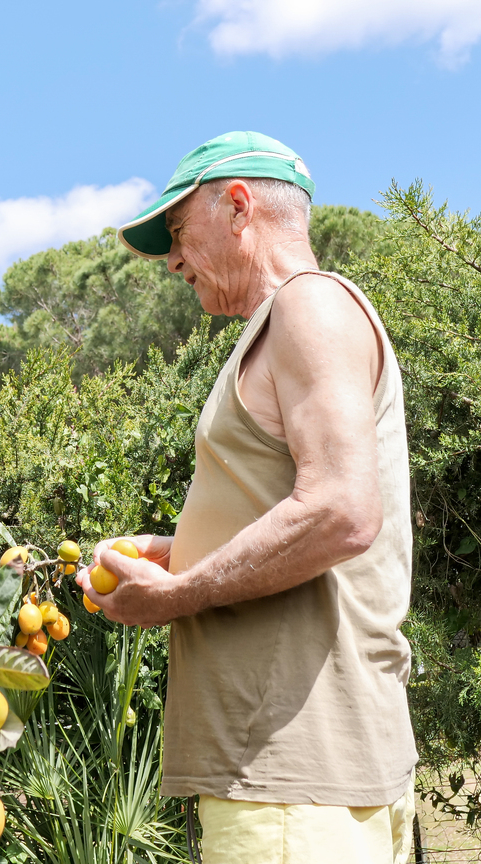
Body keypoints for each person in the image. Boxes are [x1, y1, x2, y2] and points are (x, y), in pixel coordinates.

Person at [78, 131, 418, 864]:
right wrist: (182, 554)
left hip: (294, 781)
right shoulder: (286, 325)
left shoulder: (309, 308)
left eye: (175, 232)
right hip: (306, 774)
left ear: (238, 208)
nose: (171, 259)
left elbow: (340, 513)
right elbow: (303, 509)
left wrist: (180, 595)